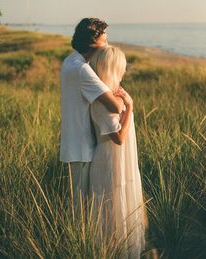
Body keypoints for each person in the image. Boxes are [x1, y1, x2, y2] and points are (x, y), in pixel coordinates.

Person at [89, 46, 147, 259]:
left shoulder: (113, 95)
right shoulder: (101, 101)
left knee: (123, 205)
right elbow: (119, 138)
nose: (123, 72)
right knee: (112, 209)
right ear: (113, 69)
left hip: (123, 161)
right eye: (121, 68)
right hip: (110, 161)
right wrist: (130, 107)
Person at [60, 18, 124, 204]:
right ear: (92, 42)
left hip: (74, 144)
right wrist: (124, 98)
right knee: (82, 206)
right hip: (83, 147)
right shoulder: (82, 70)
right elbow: (115, 106)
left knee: (78, 203)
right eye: (105, 40)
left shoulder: (70, 61)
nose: (107, 45)